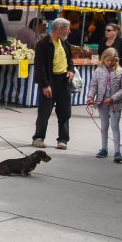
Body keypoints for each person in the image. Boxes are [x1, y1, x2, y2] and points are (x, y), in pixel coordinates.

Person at [32, 17, 76, 150]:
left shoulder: (65, 43)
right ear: (59, 29)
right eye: (67, 29)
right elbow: (39, 66)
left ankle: (63, 139)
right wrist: (45, 85)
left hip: (64, 81)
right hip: (50, 81)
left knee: (65, 111)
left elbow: (70, 61)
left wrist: (71, 70)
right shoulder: (43, 44)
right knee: (44, 111)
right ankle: (38, 138)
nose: (69, 31)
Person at [87, 47, 122, 162]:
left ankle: (117, 151)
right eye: (107, 60)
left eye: (112, 60)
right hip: (102, 103)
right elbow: (93, 86)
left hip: (115, 104)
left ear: (116, 60)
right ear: (103, 59)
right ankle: (104, 148)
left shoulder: (121, 72)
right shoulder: (98, 71)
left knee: (115, 126)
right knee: (104, 126)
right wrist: (91, 97)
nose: (110, 63)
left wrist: (113, 98)